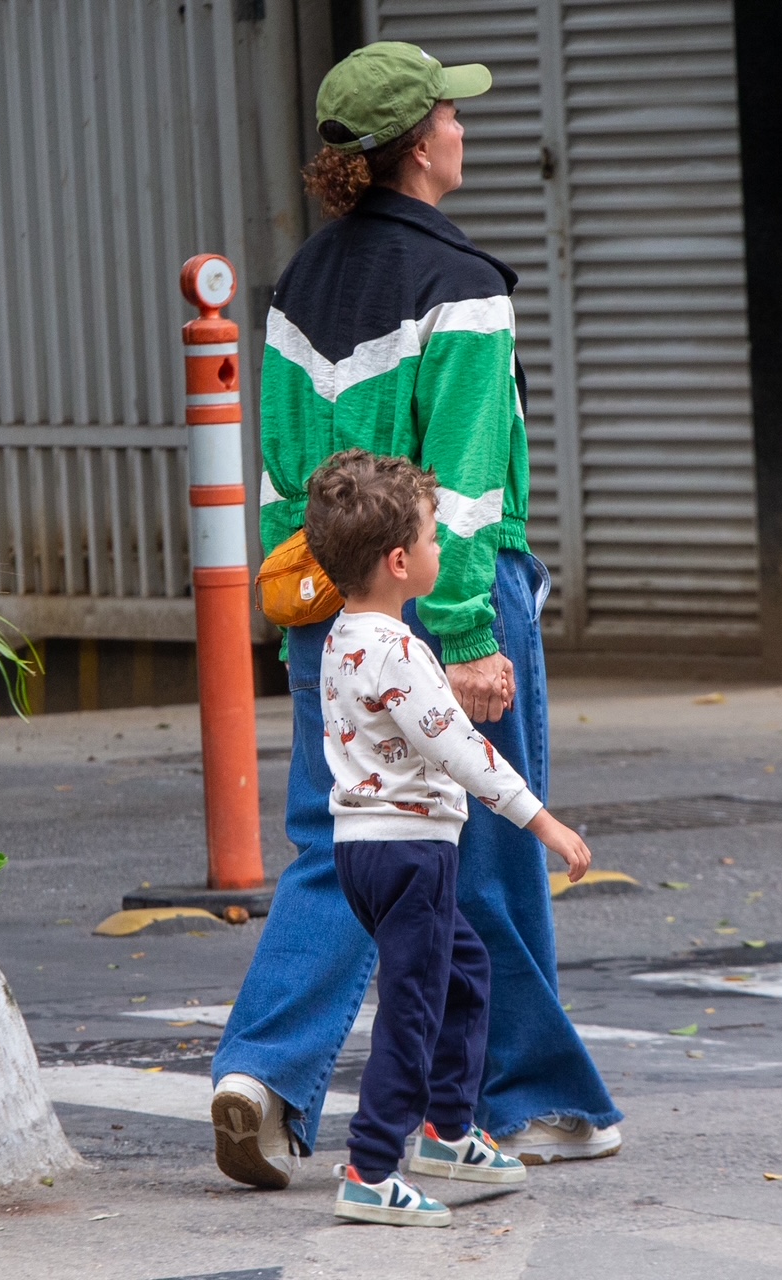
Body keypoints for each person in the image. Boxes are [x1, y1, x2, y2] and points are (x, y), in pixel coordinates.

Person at [210, 40, 622, 1190]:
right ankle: (518, 1097)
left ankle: (258, 1073)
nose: (461, 127)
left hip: (324, 600)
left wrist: (305, 613)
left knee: (331, 844)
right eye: (449, 113)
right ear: (415, 146)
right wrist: (471, 637)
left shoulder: (298, 285)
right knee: (479, 848)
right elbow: (466, 485)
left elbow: (283, 477)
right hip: (444, 594)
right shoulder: (462, 285)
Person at [305, 450, 592, 1227]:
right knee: (414, 1009)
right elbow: (463, 751)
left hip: (362, 849)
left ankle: (449, 1130)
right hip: (411, 852)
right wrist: (544, 823)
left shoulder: (342, 638)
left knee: (462, 974)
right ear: (400, 563)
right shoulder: (400, 651)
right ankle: (371, 1168)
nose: (443, 549)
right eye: (435, 538)